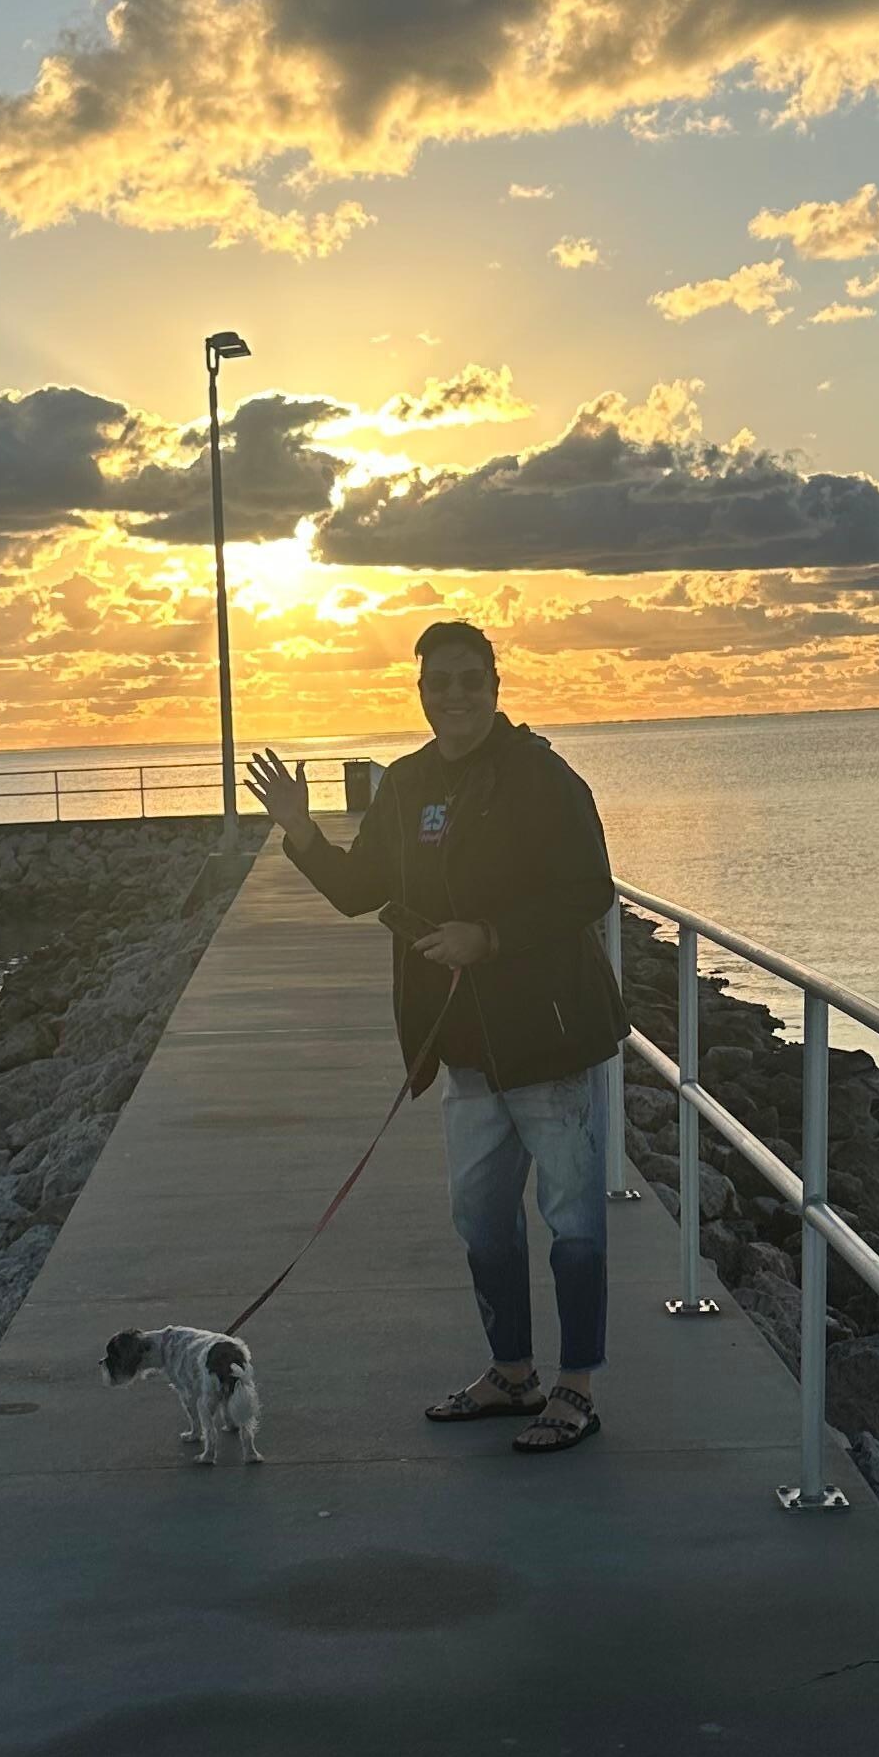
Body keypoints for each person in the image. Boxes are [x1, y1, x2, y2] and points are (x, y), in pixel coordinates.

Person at [247, 622, 624, 1453]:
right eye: (438, 682)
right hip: (464, 1047)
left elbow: (587, 890)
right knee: (480, 1219)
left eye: (468, 679)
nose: (453, 695)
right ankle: (513, 1372)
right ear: (419, 691)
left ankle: (577, 1386)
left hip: (550, 1044)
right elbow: (357, 890)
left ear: (495, 681)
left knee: (573, 1223)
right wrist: (302, 832)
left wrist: (487, 937)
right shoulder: (409, 783)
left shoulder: (543, 778)